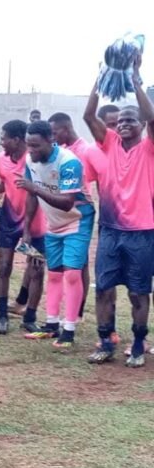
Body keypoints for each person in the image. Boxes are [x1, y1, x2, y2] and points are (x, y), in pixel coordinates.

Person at [83, 57, 154, 367]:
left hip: (142, 232)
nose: (124, 124)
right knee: (104, 289)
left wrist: (136, 80)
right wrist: (99, 80)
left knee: (138, 293)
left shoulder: (149, 148)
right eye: (120, 121)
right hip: (110, 231)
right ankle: (105, 340)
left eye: (131, 121)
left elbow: (151, 115)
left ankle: (138, 343)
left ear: (141, 126)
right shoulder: (109, 144)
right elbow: (88, 115)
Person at [18, 120, 93, 350]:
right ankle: (51, 325)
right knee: (54, 274)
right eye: (28, 145)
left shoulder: (68, 162)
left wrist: (36, 189)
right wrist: (27, 227)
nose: (31, 150)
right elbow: (31, 196)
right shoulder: (31, 160)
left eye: (36, 145)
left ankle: (68, 329)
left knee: (71, 274)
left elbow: (67, 202)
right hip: (54, 223)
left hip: (77, 220)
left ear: (51, 140)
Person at [0, 119, 46, 335]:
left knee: (37, 270)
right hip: (8, 219)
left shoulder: (34, 161)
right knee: (4, 267)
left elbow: (35, 192)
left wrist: (28, 230)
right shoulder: (0, 159)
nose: (0, 142)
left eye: (3, 138)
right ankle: (2, 316)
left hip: (35, 222)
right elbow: (5, 181)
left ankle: (30, 316)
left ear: (16, 140)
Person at [49, 112, 100, 323]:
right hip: (60, 213)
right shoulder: (59, 150)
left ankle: (76, 312)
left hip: (79, 212)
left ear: (66, 129)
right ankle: (64, 311)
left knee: (79, 265)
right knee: (63, 266)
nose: (52, 137)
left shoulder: (85, 150)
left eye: (54, 132)